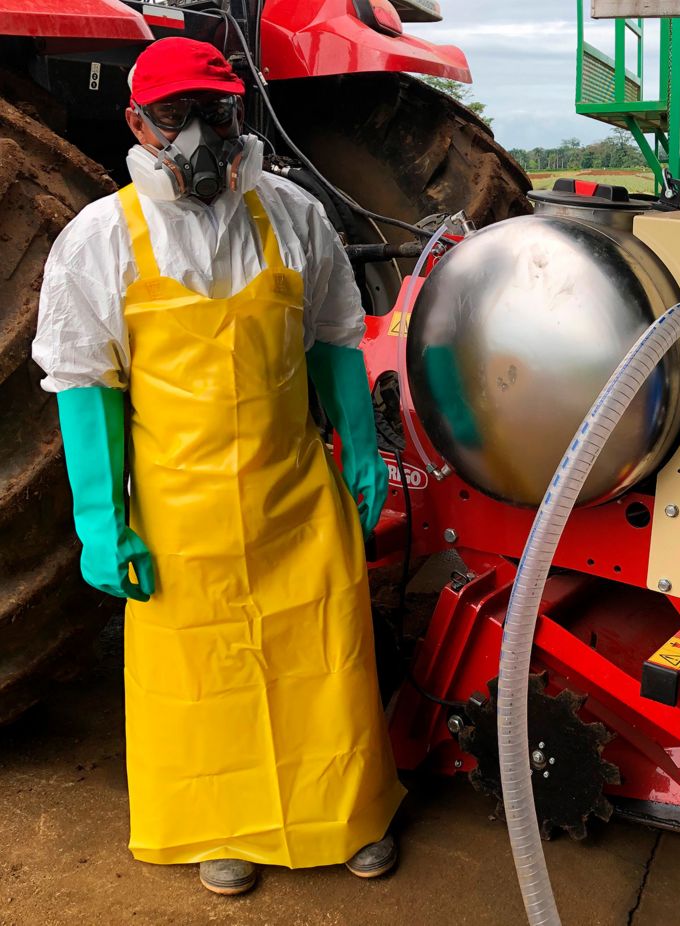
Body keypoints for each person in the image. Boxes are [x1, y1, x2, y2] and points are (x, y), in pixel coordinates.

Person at [32, 37, 405, 896]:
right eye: (175, 117)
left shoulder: (292, 213)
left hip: (292, 495)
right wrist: (99, 519)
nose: (201, 135)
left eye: (216, 113)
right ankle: (219, 826)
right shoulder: (102, 239)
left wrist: (359, 444)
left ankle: (349, 813)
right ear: (136, 124)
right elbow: (86, 385)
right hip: (178, 512)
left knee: (325, 660)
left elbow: (335, 336)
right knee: (201, 681)